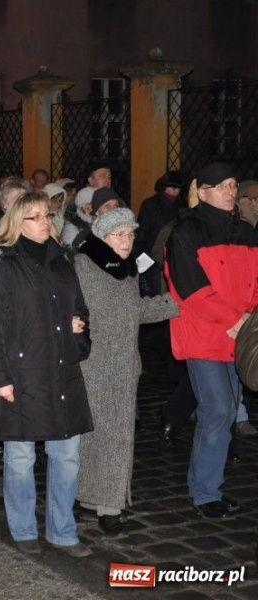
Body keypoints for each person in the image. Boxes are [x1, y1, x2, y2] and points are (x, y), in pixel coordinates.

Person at [0, 190, 93, 557]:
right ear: (17, 222)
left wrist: (79, 331)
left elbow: (80, 311)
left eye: (48, 215)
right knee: (22, 456)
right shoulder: (0, 264)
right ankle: (24, 528)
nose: (46, 221)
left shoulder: (62, 261)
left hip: (61, 371)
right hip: (22, 373)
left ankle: (62, 530)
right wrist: (0, 379)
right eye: (36, 216)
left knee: (66, 455)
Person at [73, 208, 178, 538]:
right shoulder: (82, 265)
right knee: (90, 436)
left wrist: (173, 303)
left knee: (117, 439)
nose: (126, 241)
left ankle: (109, 507)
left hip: (122, 366)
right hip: (92, 363)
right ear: (102, 236)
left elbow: (134, 313)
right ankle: (88, 496)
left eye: (131, 234)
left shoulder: (128, 271)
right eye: (119, 234)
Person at [164, 162, 258, 519]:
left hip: (239, 336)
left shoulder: (246, 231)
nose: (230, 191)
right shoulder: (186, 232)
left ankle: (208, 486)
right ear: (202, 192)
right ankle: (205, 492)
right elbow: (190, 288)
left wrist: (247, 318)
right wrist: (235, 319)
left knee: (227, 410)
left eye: (233, 185)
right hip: (204, 336)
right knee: (217, 410)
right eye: (222, 186)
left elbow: (255, 282)